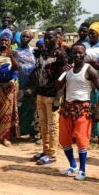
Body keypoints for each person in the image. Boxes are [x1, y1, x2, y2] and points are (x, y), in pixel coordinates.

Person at [54, 43, 99, 180]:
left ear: (85, 54)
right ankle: (72, 165)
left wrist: (98, 110)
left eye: (80, 52)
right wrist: (63, 72)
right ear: (71, 55)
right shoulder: (68, 70)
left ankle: (82, 170)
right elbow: (58, 85)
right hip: (68, 108)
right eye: (75, 52)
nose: (78, 55)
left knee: (82, 139)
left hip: (83, 108)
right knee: (64, 139)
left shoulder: (89, 70)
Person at [32, 29, 69, 165]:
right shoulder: (43, 52)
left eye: (50, 38)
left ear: (57, 38)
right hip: (41, 93)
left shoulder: (61, 54)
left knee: (52, 125)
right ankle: (45, 150)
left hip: (53, 95)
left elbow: (63, 77)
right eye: (45, 38)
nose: (47, 40)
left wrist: (58, 97)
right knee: (43, 124)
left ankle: (52, 154)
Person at [0, 30, 19, 145]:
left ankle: (5, 137)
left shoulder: (14, 53)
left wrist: (10, 55)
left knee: (7, 113)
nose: (4, 42)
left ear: (10, 41)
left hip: (9, 87)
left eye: (6, 40)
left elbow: (16, 67)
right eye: (2, 40)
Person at [15, 30, 38, 139]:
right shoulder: (16, 51)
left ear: (31, 39)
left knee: (31, 107)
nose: (24, 38)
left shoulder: (33, 51)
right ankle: (20, 131)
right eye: (22, 36)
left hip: (32, 83)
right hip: (20, 82)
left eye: (27, 37)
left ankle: (31, 130)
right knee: (20, 107)